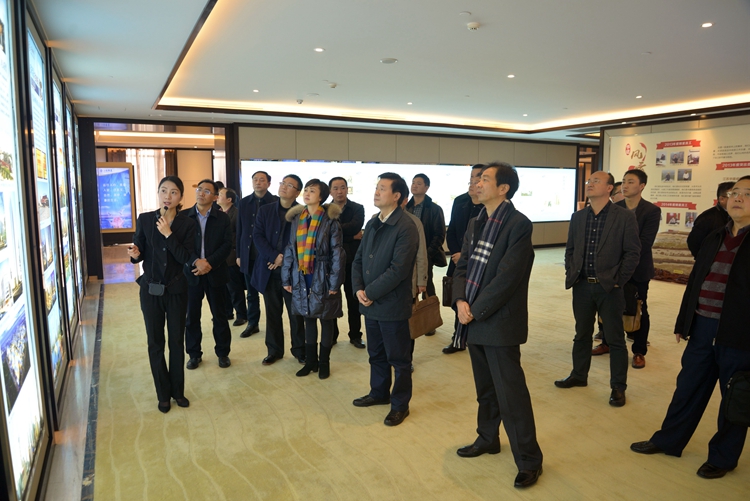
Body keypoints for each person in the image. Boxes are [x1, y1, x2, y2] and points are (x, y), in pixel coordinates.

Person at [630, 176, 750, 480]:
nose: (737, 198)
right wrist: (684, 322)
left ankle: (723, 457)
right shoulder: (715, 236)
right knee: (687, 388)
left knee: (734, 398)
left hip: (740, 335)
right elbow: (696, 281)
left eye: (747, 194)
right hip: (702, 327)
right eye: (734, 192)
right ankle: (668, 440)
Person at [452, 162, 543, 488]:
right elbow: (462, 266)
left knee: (511, 395)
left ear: (503, 189)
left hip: (499, 321)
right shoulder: (476, 221)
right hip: (473, 318)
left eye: (485, 179)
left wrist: (474, 309)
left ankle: (529, 460)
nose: (477, 184)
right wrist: (460, 301)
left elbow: (508, 277)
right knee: (486, 389)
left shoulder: (518, 224)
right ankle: (488, 438)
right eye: (478, 179)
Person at [555, 170, 640, 407]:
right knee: (581, 334)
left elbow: (633, 253)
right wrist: (571, 272)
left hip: (609, 288)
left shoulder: (624, 217)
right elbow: (570, 250)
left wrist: (618, 280)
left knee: (615, 339)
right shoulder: (578, 217)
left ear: (609, 188)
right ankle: (579, 375)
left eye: (596, 181)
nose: (589, 184)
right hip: (582, 285)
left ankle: (618, 386)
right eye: (589, 181)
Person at [351, 172, 419, 427]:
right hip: (370, 303)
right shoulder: (373, 222)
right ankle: (379, 392)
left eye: (382, 188)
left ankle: (400, 405)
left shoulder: (406, 226)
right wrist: (358, 288)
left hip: (391, 305)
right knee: (376, 353)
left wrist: (369, 293)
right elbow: (358, 259)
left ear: (397, 195)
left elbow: (398, 270)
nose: (377, 192)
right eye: (376, 187)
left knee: (399, 359)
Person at [128, 176, 196, 413]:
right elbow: (138, 252)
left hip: (177, 289)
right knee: (155, 342)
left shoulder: (188, 224)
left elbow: (186, 257)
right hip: (151, 290)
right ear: (158, 193)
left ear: (181, 197)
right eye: (164, 191)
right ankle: (163, 394)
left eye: (174, 192)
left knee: (176, 341)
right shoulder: (145, 219)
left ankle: (178, 391)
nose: (168, 196)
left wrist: (169, 234)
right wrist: (135, 254)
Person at [592, 170, 661, 369]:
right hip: (612, 268)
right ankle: (606, 342)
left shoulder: (651, 211)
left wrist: (623, 254)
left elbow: (645, 242)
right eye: (623, 182)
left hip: (638, 269)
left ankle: (639, 350)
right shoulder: (614, 208)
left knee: (638, 308)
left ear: (642, 186)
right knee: (607, 306)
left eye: (631, 182)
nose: (625, 185)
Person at [282, 179, 345, 379]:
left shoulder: (330, 221)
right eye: (306, 190)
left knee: (326, 319)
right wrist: (286, 278)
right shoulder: (297, 219)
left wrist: (334, 283)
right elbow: (290, 249)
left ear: (321, 197)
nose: (307, 193)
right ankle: (311, 362)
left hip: (323, 275)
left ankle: (324, 363)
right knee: (307, 318)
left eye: (312, 191)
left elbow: (337, 254)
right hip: (302, 275)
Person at [251, 175, 306, 366]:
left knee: (296, 314)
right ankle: (274, 350)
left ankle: (299, 350)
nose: (284, 187)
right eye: (283, 183)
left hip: (293, 273)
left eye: (290, 185)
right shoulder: (266, 210)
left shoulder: (303, 213)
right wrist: (274, 256)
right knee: (272, 313)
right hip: (269, 270)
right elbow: (257, 236)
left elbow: (304, 242)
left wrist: (283, 258)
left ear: (297, 192)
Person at [183, 180, 233, 370]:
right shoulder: (184, 217)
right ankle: (194, 354)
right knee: (191, 317)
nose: (201, 193)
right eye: (199, 189)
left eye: (206, 191)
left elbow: (227, 245)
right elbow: (180, 246)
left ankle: (223, 353)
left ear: (215, 197)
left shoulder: (222, 218)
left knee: (220, 316)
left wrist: (209, 263)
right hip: (191, 273)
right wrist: (196, 261)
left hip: (216, 273)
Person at [444, 164, 484, 354]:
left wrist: (465, 255)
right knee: (458, 296)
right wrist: (457, 254)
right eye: (471, 177)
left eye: (478, 177)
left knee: (475, 299)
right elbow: (451, 230)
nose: (473, 181)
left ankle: (472, 337)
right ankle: (458, 337)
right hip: (457, 259)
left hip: (478, 262)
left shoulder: (488, 205)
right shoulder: (460, 201)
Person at [236, 171, 277, 338]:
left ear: (268, 183)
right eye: (255, 180)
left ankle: (273, 326)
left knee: (270, 294)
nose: (258, 182)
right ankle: (253, 323)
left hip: (268, 256)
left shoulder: (275, 202)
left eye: (262, 180)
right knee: (251, 293)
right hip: (249, 254)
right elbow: (239, 230)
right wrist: (239, 254)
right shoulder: (243, 202)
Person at [329, 176, 366, 349]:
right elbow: (325, 234)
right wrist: (352, 237)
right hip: (331, 262)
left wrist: (336, 232)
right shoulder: (324, 209)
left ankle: (355, 335)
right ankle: (332, 335)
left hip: (352, 261)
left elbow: (355, 226)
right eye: (335, 188)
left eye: (342, 187)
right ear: (330, 191)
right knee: (331, 299)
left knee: (354, 300)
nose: (339, 191)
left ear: (347, 189)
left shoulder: (357, 208)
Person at [406, 174, 447, 305]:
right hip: (407, 253)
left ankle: (430, 314)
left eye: (419, 183)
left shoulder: (434, 209)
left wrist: (427, 254)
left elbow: (439, 234)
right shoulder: (405, 207)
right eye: (413, 182)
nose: (414, 185)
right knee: (408, 285)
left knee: (426, 285)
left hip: (425, 254)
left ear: (426, 187)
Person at [399, 193, 428, 372]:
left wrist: (421, 280)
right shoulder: (374, 220)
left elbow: (421, 253)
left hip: (407, 283)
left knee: (407, 324)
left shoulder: (414, 222)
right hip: (381, 286)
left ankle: (406, 359)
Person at [217, 187, 248, 326]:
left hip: (232, 255)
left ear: (229, 199)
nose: (217, 196)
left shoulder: (236, 213)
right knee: (223, 287)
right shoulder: (218, 213)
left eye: (220, 194)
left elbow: (240, 236)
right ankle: (227, 312)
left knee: (235, 288)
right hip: (219, 257)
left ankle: (241, 314)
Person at [686, 181, 734, 258]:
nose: (738, 199)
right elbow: (694, 242)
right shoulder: (707, 217)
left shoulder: (738, 216)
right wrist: (705, 260)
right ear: (722, 199)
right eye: (733, 196)